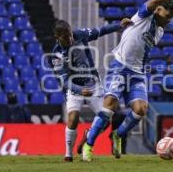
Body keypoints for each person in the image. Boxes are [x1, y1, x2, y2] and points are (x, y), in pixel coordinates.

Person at [82, 0, 173, 160]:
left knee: (140, 109)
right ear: (158, 10)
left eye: (170, 18)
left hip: (137, 73)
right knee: (110, 104)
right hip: (119, 67)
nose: (168, 21)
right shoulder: (144, 16)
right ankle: (89, 144)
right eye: (167, 16)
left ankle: (118, 134)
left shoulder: (159, 30)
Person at [49, 18, 132, 162]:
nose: (70, 38)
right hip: (75, 89)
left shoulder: (80, 35)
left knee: (106, 119)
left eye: (70, 34)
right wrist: (79, 90)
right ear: (57, 37)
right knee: (73, 118)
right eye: (65, 36)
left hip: (93, 84)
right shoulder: (56, 55)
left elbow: (100, 31)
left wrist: (118, 26)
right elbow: (64, 81)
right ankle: (68, 154)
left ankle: (87, 137)